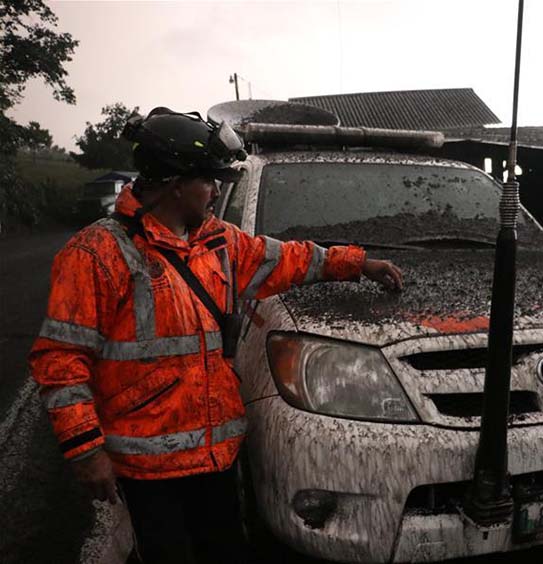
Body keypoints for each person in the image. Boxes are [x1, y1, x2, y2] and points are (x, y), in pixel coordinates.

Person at [28, 107, 403, 563]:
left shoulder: (218, 242)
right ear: (175, 183)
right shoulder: (95, 253)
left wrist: (359, 263)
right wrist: (86, 451)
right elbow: (60, 360)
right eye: (209, 181)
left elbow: (292, 259)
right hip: (150, 470)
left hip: (216, 458)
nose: (217, 191)